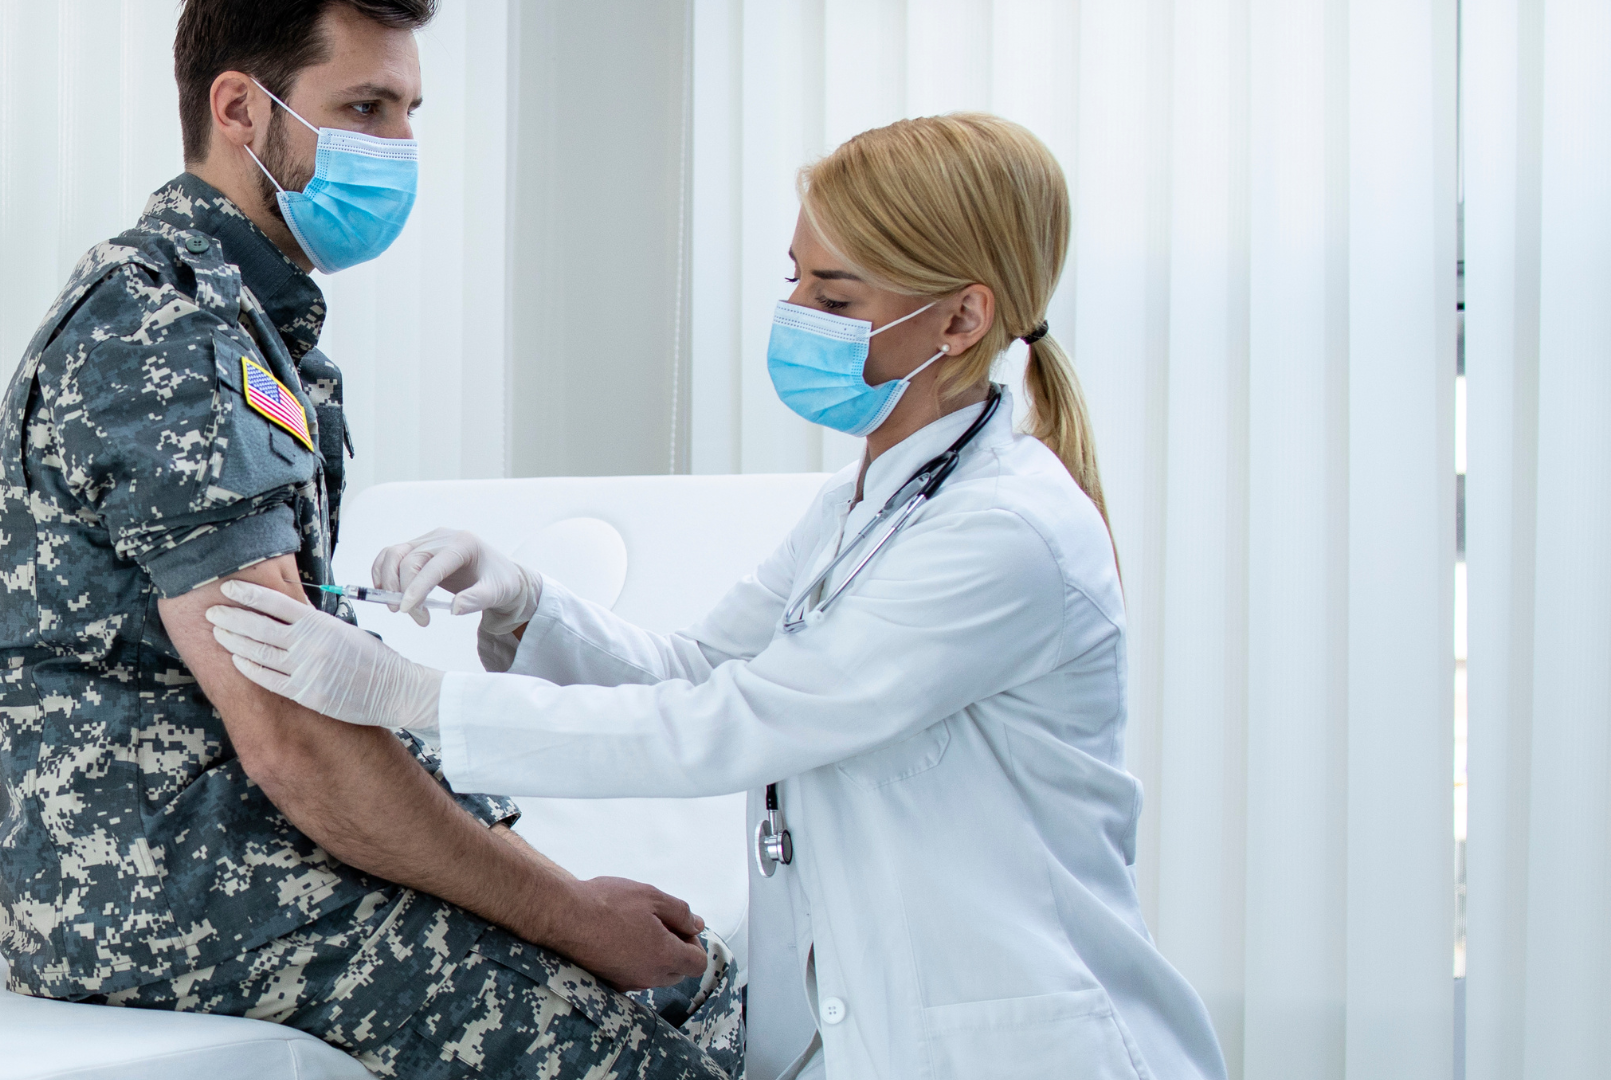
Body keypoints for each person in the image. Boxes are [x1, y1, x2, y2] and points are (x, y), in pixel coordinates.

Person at [208, 114, 1230, 1079]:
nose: (799, 317)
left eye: (837, 299)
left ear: (962, 318)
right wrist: (523, 600)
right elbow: (699, 669)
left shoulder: (1006, 534)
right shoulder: (863, 505)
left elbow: (736, 723)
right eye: (797, 281)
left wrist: (418, 699)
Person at [0, 2, 742, 1078]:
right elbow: (297, 737)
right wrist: (575, 917)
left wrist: (567, 896)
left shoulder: (253, 326)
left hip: (257, 848)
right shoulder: (165, 328)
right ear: (241, 109)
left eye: (410, 111)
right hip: (169, 887)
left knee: (709, 991)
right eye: (366, 108)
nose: (400, 147)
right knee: (644, 1062)